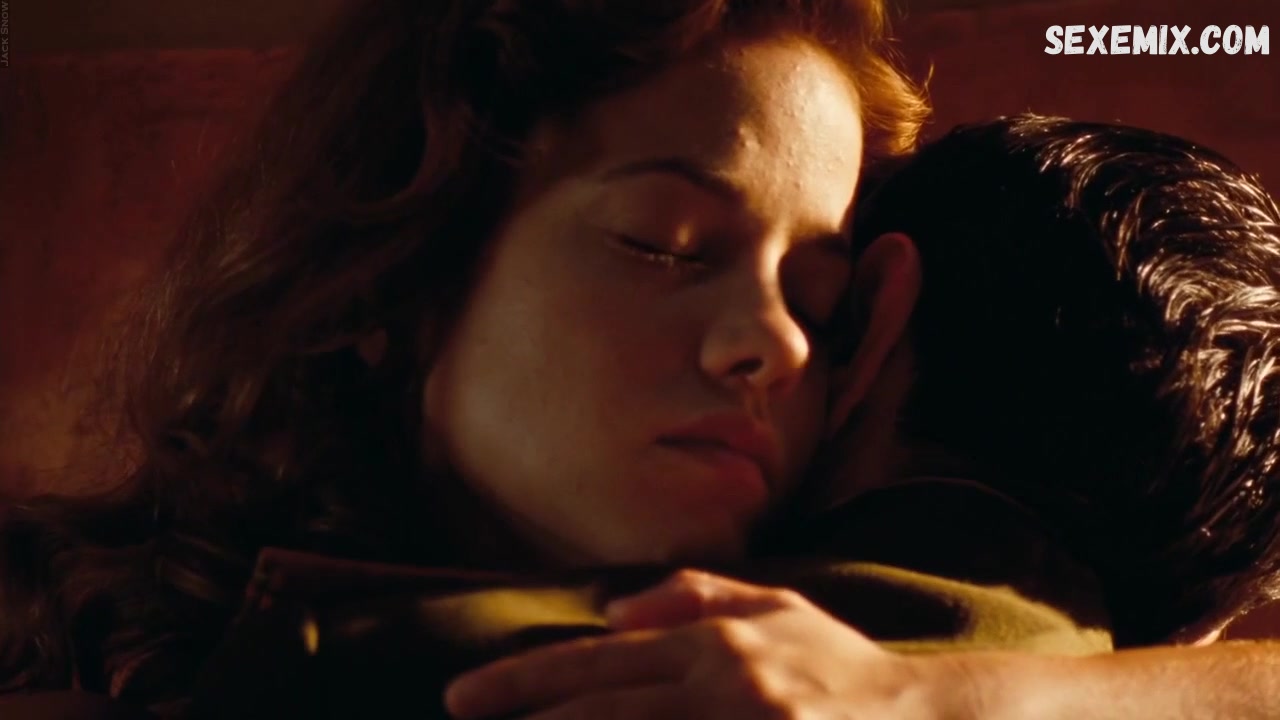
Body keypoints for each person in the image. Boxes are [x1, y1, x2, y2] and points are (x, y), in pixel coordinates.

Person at [0, 0, 931, 717]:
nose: (781, 342)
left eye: (818, 302)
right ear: (392, 278)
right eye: (665, 244)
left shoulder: (874, 649)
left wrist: (940, 694)